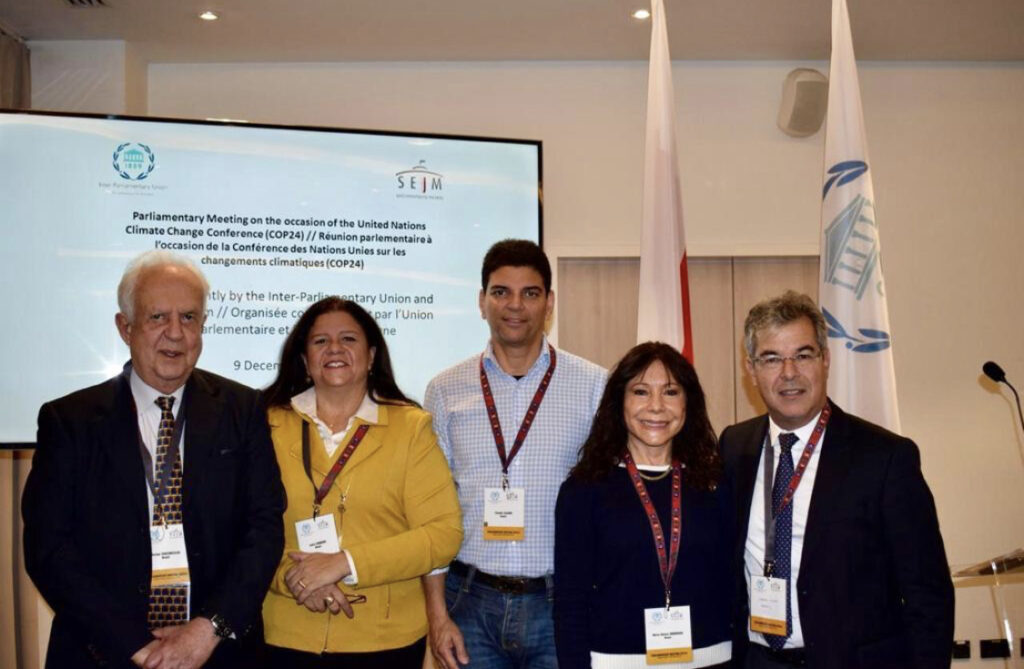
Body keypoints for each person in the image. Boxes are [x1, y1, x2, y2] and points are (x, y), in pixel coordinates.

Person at [22, 250, 285, 669]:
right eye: (158, 317)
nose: (176, 334)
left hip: (216, 652)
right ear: (125, 327)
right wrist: (137, 646)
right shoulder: (69, 420)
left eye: (189, 317)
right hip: (103, 652)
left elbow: (265, 528)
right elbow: (49, 549)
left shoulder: (242, 409)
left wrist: (207, 629)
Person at [721, 291, 954, 669]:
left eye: (803, 354)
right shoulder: (734, 446)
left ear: (825, 360)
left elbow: (928, 594)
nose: (789, 373)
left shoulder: (885, 458)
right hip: (757, 660)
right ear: (751, 370)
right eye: (771, 358)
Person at [423, 239, 606, 669]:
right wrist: (435, 614)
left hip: (559, 602)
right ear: (481, 301)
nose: (515, 305)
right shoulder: (444, 390)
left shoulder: (595, 386)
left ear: (549, 303)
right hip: (468, 601)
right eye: (501, 291)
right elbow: (430, 510)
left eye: (530, 293)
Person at [260, 296, 463, 668]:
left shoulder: (411, 428)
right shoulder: (267, 425)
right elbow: (242, 530)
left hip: (384, 641)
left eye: (348, 339)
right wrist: (292, 579)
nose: (334, 348)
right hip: (285, 634)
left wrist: (345, 563)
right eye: (320, 341)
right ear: (305, 360)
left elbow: (442, 534)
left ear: (371, 357)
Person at [554, 342, 733, 669]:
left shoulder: (716, 482)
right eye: (640, 391)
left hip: (713, 659)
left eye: (670, 392)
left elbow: (734, 583)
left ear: (688, 403)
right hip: (615, 661)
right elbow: (571, 601)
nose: (656, 407)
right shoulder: (584, 490)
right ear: (618, 402)